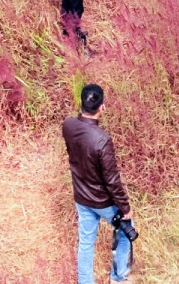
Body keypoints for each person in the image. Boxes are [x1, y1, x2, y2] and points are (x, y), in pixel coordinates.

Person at [64, 83, 134, 284]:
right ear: (102, 107)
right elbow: (112, 181)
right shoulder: (102, 140)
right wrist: (125, 208)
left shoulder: (68, 125)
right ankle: (119, 277)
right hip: (103, 202)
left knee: (86, 241)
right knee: (126, 229)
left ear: (81, 103)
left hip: (81, 196)